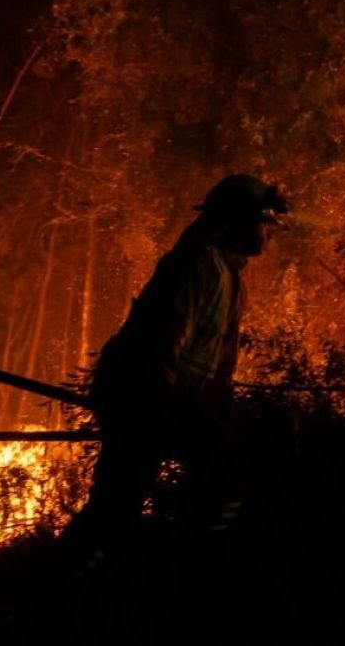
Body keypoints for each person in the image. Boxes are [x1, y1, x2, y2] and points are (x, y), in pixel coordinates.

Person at [65, 174, 287, 557]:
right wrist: (171, 410)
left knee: (124, 499)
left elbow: (218, 366)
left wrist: (219, 408)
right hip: (140, 394)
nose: (272, 230)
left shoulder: (229, 276)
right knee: (123, 498)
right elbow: (162, 343)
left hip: (161, 396)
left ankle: (157, 561)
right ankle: (71, 578)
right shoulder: (196, 264)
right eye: (265, 219)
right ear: (236, 219)